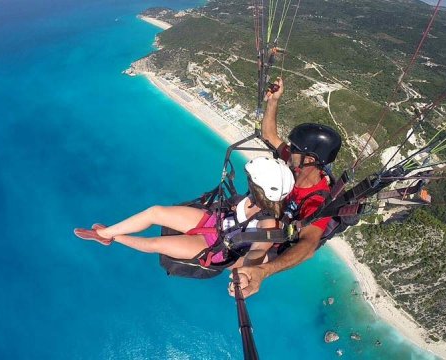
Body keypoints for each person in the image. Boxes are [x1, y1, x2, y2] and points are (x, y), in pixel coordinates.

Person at [74, 156, 295, 270]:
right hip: (215, 221)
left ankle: (114, 238)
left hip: (216, 248)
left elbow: (259, 249)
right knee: (156, 212)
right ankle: (104, 233)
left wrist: (250, 270)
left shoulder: (269, 224)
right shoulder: (256, 195)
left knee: (156, 245)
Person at [229, 78, 342, 298]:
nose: (289, 149)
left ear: (310, 158)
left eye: (295, 148)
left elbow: (308, 245)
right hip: (263, 218)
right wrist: (274, 101)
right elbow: (269, 135)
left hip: (274, 238)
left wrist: (264, 271)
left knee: (232, 263)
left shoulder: (318, 200)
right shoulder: (294, 165)